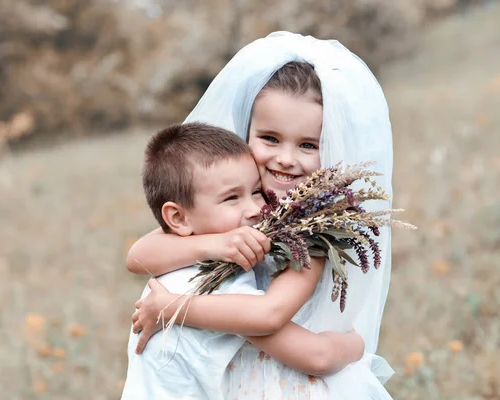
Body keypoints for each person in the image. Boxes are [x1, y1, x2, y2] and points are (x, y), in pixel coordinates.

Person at [130, 32, 395, 399]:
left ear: (331, 146)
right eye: (270, 138)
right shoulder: (226, 205)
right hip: (220, 374)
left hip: (285, 378)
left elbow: (269, 316)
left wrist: (172, 308)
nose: (285, 158)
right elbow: (139, 256)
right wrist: (219, 243)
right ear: (246, 133)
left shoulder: (314, 226)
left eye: (307, 145)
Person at [121, 122, 364, 400]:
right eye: (231, 198)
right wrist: (356, 345)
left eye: (258, 191)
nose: (255, 209)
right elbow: (317, 356)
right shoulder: (217, 284)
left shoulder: (181, 255)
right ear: (178, 218)